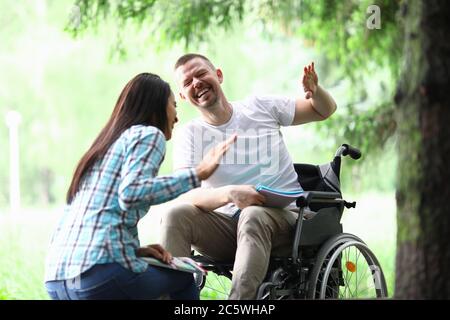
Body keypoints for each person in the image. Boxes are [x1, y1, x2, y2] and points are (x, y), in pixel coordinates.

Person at [159, 54, 337, 299]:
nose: (196, 83)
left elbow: (323, 110)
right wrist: (229, 194)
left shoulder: (260, 107)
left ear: (218, 75)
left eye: (201, 74)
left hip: (288, 221)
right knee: (174, 215)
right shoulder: (190, 134)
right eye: (187, 82)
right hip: (229, 227)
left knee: (253, 215)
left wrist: (315, 91)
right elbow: (186, 194)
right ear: (182, 96)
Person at [44, 72, 236, 300]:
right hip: (99, 273)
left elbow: (103, 214)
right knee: (183, 279)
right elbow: (132, 193)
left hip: (58, 279)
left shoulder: (102, 148)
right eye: (174, 105)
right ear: (156, 107)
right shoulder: (149, 134)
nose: (176, 116)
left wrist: (133, 251)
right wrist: (198, 174)